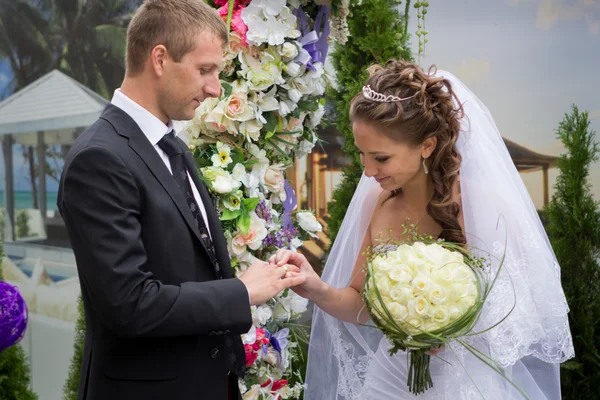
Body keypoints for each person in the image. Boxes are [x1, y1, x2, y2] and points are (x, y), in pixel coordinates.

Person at [272, 60, 574, 399]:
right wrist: (315, 288)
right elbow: (361, 304)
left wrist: (449, 329)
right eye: (361, 155)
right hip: (389, 380)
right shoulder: (378, 202)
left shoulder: (480, 203)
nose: (368, 170)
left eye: (381, 158)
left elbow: (516, 316)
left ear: (426, 146)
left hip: (463, 382)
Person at [57, 1, 304, 399]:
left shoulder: (171, 145)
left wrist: (262, 274)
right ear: (159, 58)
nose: (214, 88)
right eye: (204, 70)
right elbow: (129, 304)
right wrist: (241, 292)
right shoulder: (99, 159)